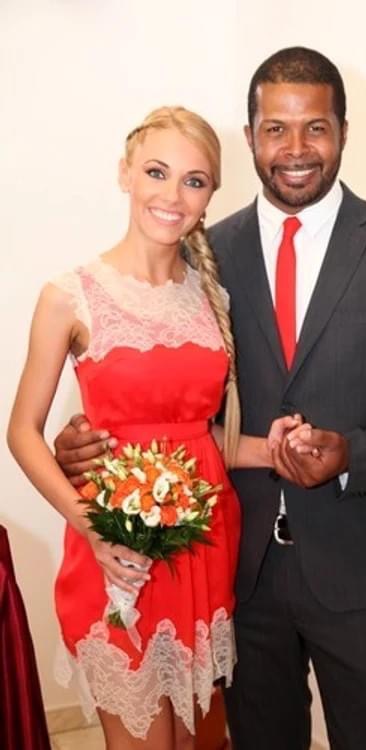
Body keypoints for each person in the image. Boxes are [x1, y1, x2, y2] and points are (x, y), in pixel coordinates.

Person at [53, 48, 366, 750]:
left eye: (315, 127)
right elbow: (168, 400)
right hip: (234, 574)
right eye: (275, 129)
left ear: (343, 132)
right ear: (251, 135)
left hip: (364, 573)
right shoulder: (200, 257)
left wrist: (354, 453)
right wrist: (90, 438)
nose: (295, 148)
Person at [7, 106, 288, 750]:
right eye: (157, 172)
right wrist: (91, 529)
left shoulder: (212, 297)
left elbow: (200, 438)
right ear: (124, 174)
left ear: (211, 195)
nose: (172, 195)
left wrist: (276, 448)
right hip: (118, 548)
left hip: (204, 545)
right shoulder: (70, 294)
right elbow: (22, 431)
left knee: (194, 741)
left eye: (194, 181)